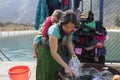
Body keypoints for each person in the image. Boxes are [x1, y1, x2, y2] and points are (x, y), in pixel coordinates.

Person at [36, 10, 77, 80]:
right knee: (47, 70)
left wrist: (72, 53)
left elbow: (68, 42)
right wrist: (66, 67)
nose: (69, 29)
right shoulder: (54, 30)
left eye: (72, 27)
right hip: (45, 47)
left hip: (55, 46)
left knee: (56, 69)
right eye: (67, 26)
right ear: (62, 22)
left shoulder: (70, 30)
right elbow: (54, 52)